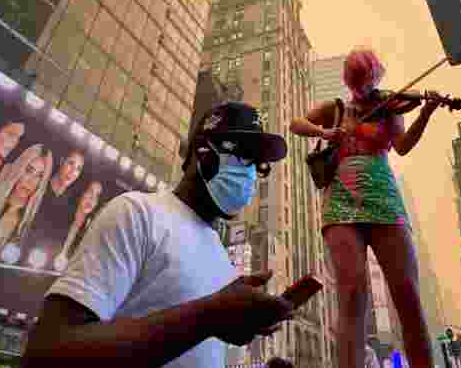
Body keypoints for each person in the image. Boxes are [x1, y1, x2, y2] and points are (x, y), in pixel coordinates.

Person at [22, 101, 294, 367]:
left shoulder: (223, 262)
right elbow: (48, 351)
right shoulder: (137, 213)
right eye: (243, 156)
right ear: (202, 151)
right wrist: (211, 315)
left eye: (257, 165)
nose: (250, 175)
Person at [289, 48, 441, 368]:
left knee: (407, 294)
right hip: (341, 199)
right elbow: (296, 123)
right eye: (359, 81)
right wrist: (326, 132)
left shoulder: (389, 106)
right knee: (352, 292)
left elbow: (402, 146)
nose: (366, 88)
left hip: (383, 195)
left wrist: (425, 112)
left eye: (369, 80)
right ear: (349, 81)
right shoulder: (337, 107)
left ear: (376, 76)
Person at [23, 150, 86, 268]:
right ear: (62, 161)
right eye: (71, 163)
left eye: (78, 169)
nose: (72, 172)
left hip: (42, 267)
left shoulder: (71, 206)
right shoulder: (40, 185)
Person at [52, 180, 103, 271]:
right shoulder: (61, 212)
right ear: (82, 192)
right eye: (90, 191)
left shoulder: (91, 232)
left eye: (97, 196)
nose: (92, 198)